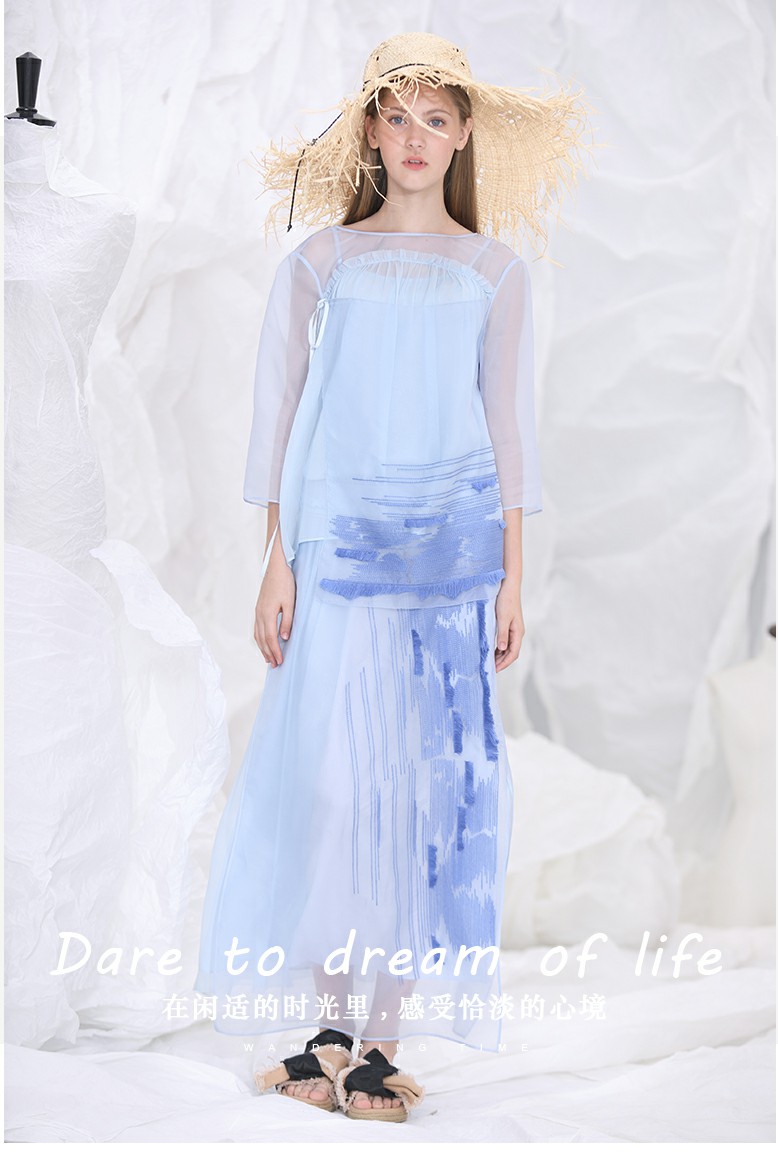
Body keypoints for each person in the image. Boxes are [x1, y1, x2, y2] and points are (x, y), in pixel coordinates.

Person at [194, 31, 595, 1125]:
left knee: (419, 798)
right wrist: (276, 559)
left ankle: (380, 1041)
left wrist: (512, 578)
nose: (415, 136)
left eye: (436, 118)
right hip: (335, 552)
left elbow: (510, 429)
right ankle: (326, 1025)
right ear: (370, 131)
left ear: (462, 137)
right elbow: (279, 418)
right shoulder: (320, 265)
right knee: (330, 785)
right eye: (397, 115)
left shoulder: (494, 273)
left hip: (450, 562)